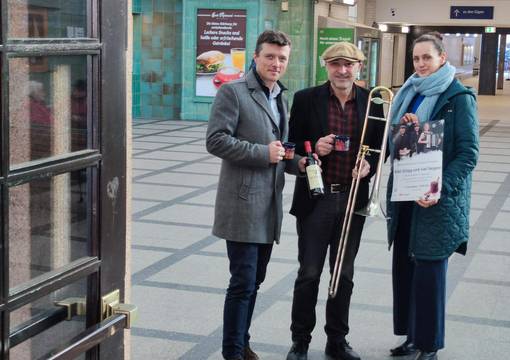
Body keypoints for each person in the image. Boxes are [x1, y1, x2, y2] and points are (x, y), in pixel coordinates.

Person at [206, 30, 310, 360]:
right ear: (255, 57)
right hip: (241, 203)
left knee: (255, 280)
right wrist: (260, 153)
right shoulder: (234, 93)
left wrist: (301, 163)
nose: (276, 63)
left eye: (282, 58)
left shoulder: (281, 97)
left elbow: (282, 150)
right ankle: (232, 351)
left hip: (269, 206)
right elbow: (216, 140)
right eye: (270, 56)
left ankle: (241, 341)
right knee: (243, 281)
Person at [286, 42, 384, 360]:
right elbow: (291, 150)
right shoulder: (305, 99)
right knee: (310, 273)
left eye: (349, 64)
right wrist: (314, 148)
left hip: (353, 199)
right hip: (317, 198)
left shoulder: (374, 102)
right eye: (335, 64)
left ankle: (337, 340)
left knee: (344, 274)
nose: (342, 70)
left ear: (359, 67)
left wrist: (369, 167)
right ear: (325, 66)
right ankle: (300, 340)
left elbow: (381, 150)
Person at [386, 32, 479, 360]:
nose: (421, 64)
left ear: (442, 58)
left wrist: (440, 189)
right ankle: (412, 337)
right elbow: (402, 144)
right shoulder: (409, 93)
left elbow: (468, 154)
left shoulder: (459, 97)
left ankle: (430, 346)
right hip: (407, 196)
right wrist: (408, 128)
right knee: (405, 270)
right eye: (416, 58)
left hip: (437, 202)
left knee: (429, 274)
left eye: (427, 57)